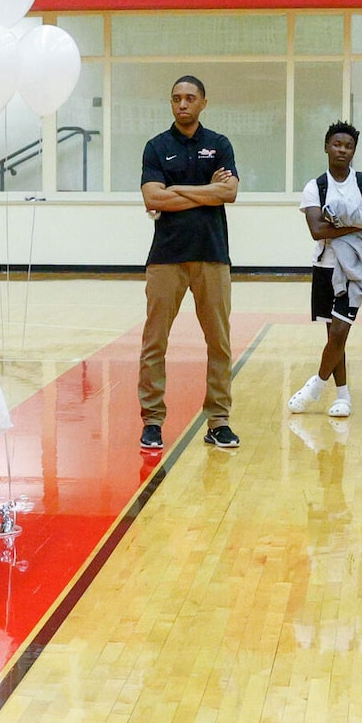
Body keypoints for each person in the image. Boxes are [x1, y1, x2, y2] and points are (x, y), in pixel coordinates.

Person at [136, 74, 240, 450]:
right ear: (171, 103)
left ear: (203, 103)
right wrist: (205, 193)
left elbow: (228, 192)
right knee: (154, 343)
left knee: (219, 342)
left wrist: (175, 190)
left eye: (190, 97)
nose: (183, 103)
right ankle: (152, 421)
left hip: (213, 256)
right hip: (166, 258)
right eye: (176, 98)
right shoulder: (156, 147)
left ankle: (218, 420)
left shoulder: (219, 144)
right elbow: (153, 199)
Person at [293, 120, 362, 419]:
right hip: (324, 267)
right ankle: (343, 396)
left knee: (341, 329)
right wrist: (357, 222)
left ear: (354, 150)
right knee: (334, 335)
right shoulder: (314, 187)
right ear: (326, 147)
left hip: (355, 268)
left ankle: (317, 385)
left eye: (348, 146)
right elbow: (318, 230)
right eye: (337, 144)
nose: (342, 150)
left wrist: (340, 221)